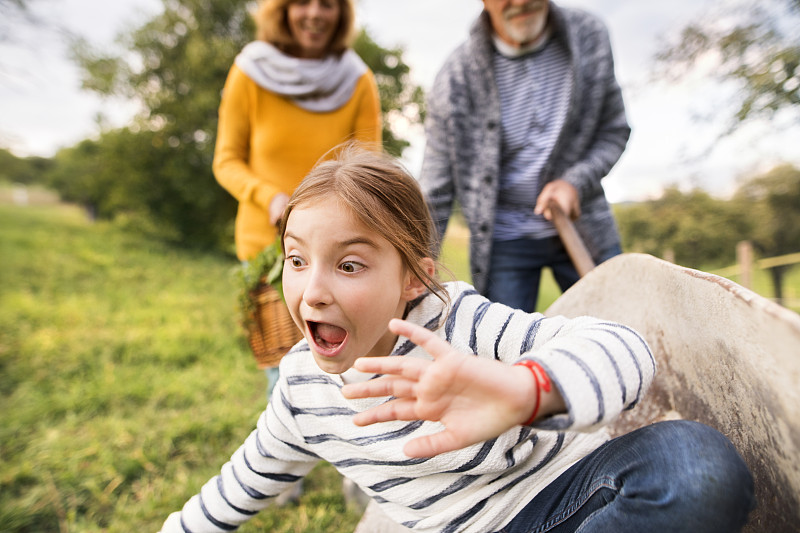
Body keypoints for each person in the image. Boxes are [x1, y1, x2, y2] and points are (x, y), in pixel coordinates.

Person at [159, 146, 754, 533]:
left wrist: (526, 390)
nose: (311, 290)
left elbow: (625, 349)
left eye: (349, 265)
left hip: (565, 504)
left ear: (413, 278)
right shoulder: (301, 394)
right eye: (296, 259)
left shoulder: (457, 323)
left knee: (696, 465)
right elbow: (232, 492)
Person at [213, 0, 382, 398]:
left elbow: (368, 166)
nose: (315, 13)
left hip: (340, 249)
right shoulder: (249, 72)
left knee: (346, 371)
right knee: (284, 375)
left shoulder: (357, 79)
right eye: (302, 2)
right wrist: (269, 197)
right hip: (268, 249)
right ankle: (286, 449)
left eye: (328, 4)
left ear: (342, 14)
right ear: (282, 10)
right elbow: (226, 160)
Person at [420, 0, 629, 313]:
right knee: (504, 354)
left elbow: (613, 131)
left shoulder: (590, 36)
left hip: (585, 228)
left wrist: (574, 182)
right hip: (504, 242)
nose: (520, 2)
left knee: (624, 334)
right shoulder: (454, 79)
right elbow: (434, 191)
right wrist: (412, 266)